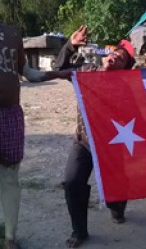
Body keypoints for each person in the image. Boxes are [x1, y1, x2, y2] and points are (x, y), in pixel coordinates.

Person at [55, 25, 136, 248]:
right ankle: (79, 231)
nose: (115, 59)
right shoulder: (86, 72)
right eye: (114, 54)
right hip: (83, 141)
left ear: (125, 68)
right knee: (73, 182)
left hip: (111, 144)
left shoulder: (126, 86)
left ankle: (117, 209)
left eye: (121, 59)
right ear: (107, 55)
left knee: (117, 187)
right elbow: (60, 67)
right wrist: (71, 45)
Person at [0, 23, 72, 249]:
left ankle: (10, 238)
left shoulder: (12, 33)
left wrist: (56, 74)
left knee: (10, 177)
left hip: (10, 114)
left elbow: (26, 72)